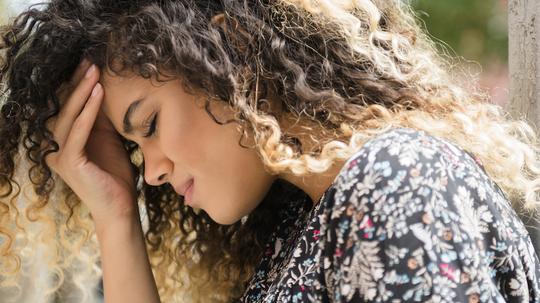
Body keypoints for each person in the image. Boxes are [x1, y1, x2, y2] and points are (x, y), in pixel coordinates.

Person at [0, 0, 539, 302]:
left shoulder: (398, 181)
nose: (154, 172)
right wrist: (115, 215)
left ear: (227, 52)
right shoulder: (298, 232)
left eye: (151, 124)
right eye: (137, 152)